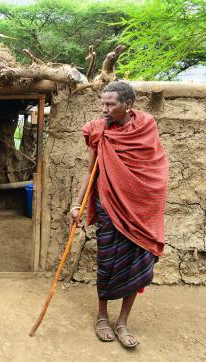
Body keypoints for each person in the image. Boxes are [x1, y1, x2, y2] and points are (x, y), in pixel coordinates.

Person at [69, 81, 168, 348]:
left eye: (110, 104)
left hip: (141, 212)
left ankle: (123, 321)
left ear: (128, 105)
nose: (104, 108)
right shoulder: (97, 130)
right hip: (109, 207)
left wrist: (147, 200)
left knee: (136, 264)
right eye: (102, 103)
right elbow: (90, 172)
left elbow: (155, 169)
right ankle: (102, 316)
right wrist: (76, 205)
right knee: (107, 263)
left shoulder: (146, 127)